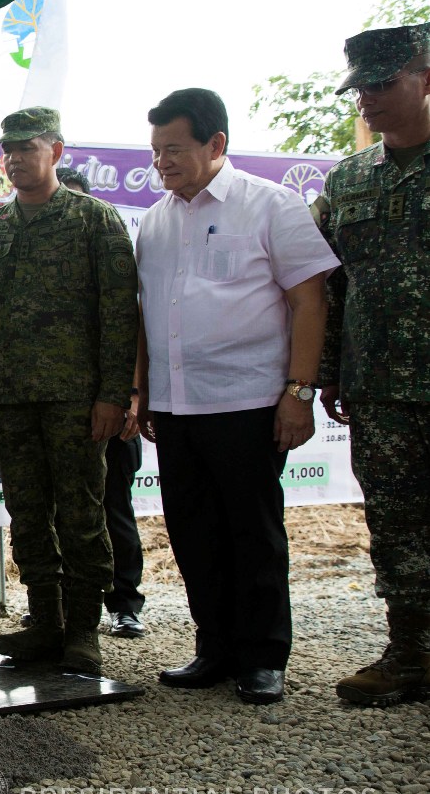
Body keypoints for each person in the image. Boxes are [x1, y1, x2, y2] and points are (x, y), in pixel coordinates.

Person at [137, 88, 337, 705]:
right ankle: (215, 647)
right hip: (176, 405)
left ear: (216, 143)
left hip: (248, 399)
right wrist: (145, 391)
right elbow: (148, 312)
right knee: (193, 529)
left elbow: (310, 300)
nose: (162, 163)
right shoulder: (155, 220)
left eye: (174, 149)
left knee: (251, 530)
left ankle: (263, 656)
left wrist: (299, 392)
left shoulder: (271, 206)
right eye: (156, 152)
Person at [0, 110, 138, 677]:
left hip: (76, 399)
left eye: (28, 147)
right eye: (9, 150)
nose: (16, 158)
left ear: (57, 151)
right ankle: (45, 620)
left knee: (82, 513)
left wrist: (115, 394)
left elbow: (119, 315)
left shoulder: (96, 221)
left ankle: (84, 630)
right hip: (11, 399)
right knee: (26, 513)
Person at [316, 23, 430, 707]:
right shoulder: (349, 179)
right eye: (360, 87)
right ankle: (411, 652)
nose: (367, 100)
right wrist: (329, 370)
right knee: (395, 525)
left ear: (426, 77)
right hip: (381, 387)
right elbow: (331, 286)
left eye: (382, 84)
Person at [55, 165, 147, 639]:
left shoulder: (105, 234)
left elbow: (127, 322)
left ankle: (124, 602)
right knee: (57, 512)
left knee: (112, 507)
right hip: (57, 407)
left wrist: (129, 395)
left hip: (107, 405)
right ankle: (63, 605)